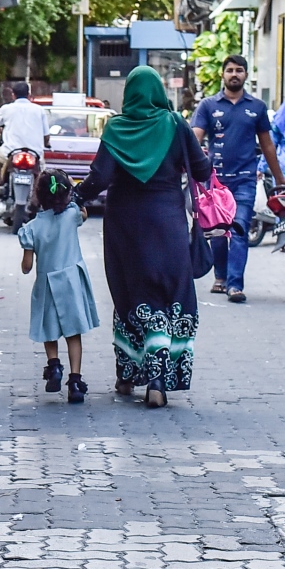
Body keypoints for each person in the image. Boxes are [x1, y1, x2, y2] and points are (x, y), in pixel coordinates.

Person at [75, 66, 209, 408]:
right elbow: (203, 169)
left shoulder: (116, 128)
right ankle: (158, 380)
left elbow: (100, 177)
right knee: (168, 293)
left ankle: (127, 376)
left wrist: (72, 197)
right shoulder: (175, 124)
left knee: (132, 294)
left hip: (126, 226)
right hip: (169, 223)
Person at [191, 55, 285, 304]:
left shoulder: (256, 107)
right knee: (219, 233)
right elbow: (195, 138)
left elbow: (267, 145)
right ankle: (220, 276)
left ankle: (235, 285)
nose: (235, 74)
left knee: (239, 229)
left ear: (245, 75)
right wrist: (186, 166)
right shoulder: (208, 106)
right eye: (230, 70)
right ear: (223, 74)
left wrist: (280, 178)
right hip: (215, 183)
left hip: (244, 180)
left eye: (239, 70)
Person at [19, 169, 99, 404]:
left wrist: (28, 256)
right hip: (71, 283)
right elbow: (83, 214)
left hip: (47, 284)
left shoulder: (32, 228)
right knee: (73, 334)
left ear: (38, 196)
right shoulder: (73, 214)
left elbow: (26, 267)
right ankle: (75, 382)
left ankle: (53, 366)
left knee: (49, 329)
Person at [0, 81, 50, 187]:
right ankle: (40, 192)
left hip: (10, 152)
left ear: (13, 95)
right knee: (42, 170)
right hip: (35, 153)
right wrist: (45, 144)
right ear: (29, 94)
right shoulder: (39, 110)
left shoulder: (6, 109)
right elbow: (46, 136)